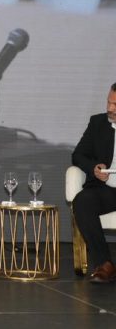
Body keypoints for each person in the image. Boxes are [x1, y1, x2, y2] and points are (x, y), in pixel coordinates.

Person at [71, 82, 116, 283]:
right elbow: (78, 155)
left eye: (115, 105)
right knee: (82, 201)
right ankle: (105, 264)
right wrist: (94, 168)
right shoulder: (98, 123)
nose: (110, 108)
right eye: (109, 102)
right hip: (107, 189)